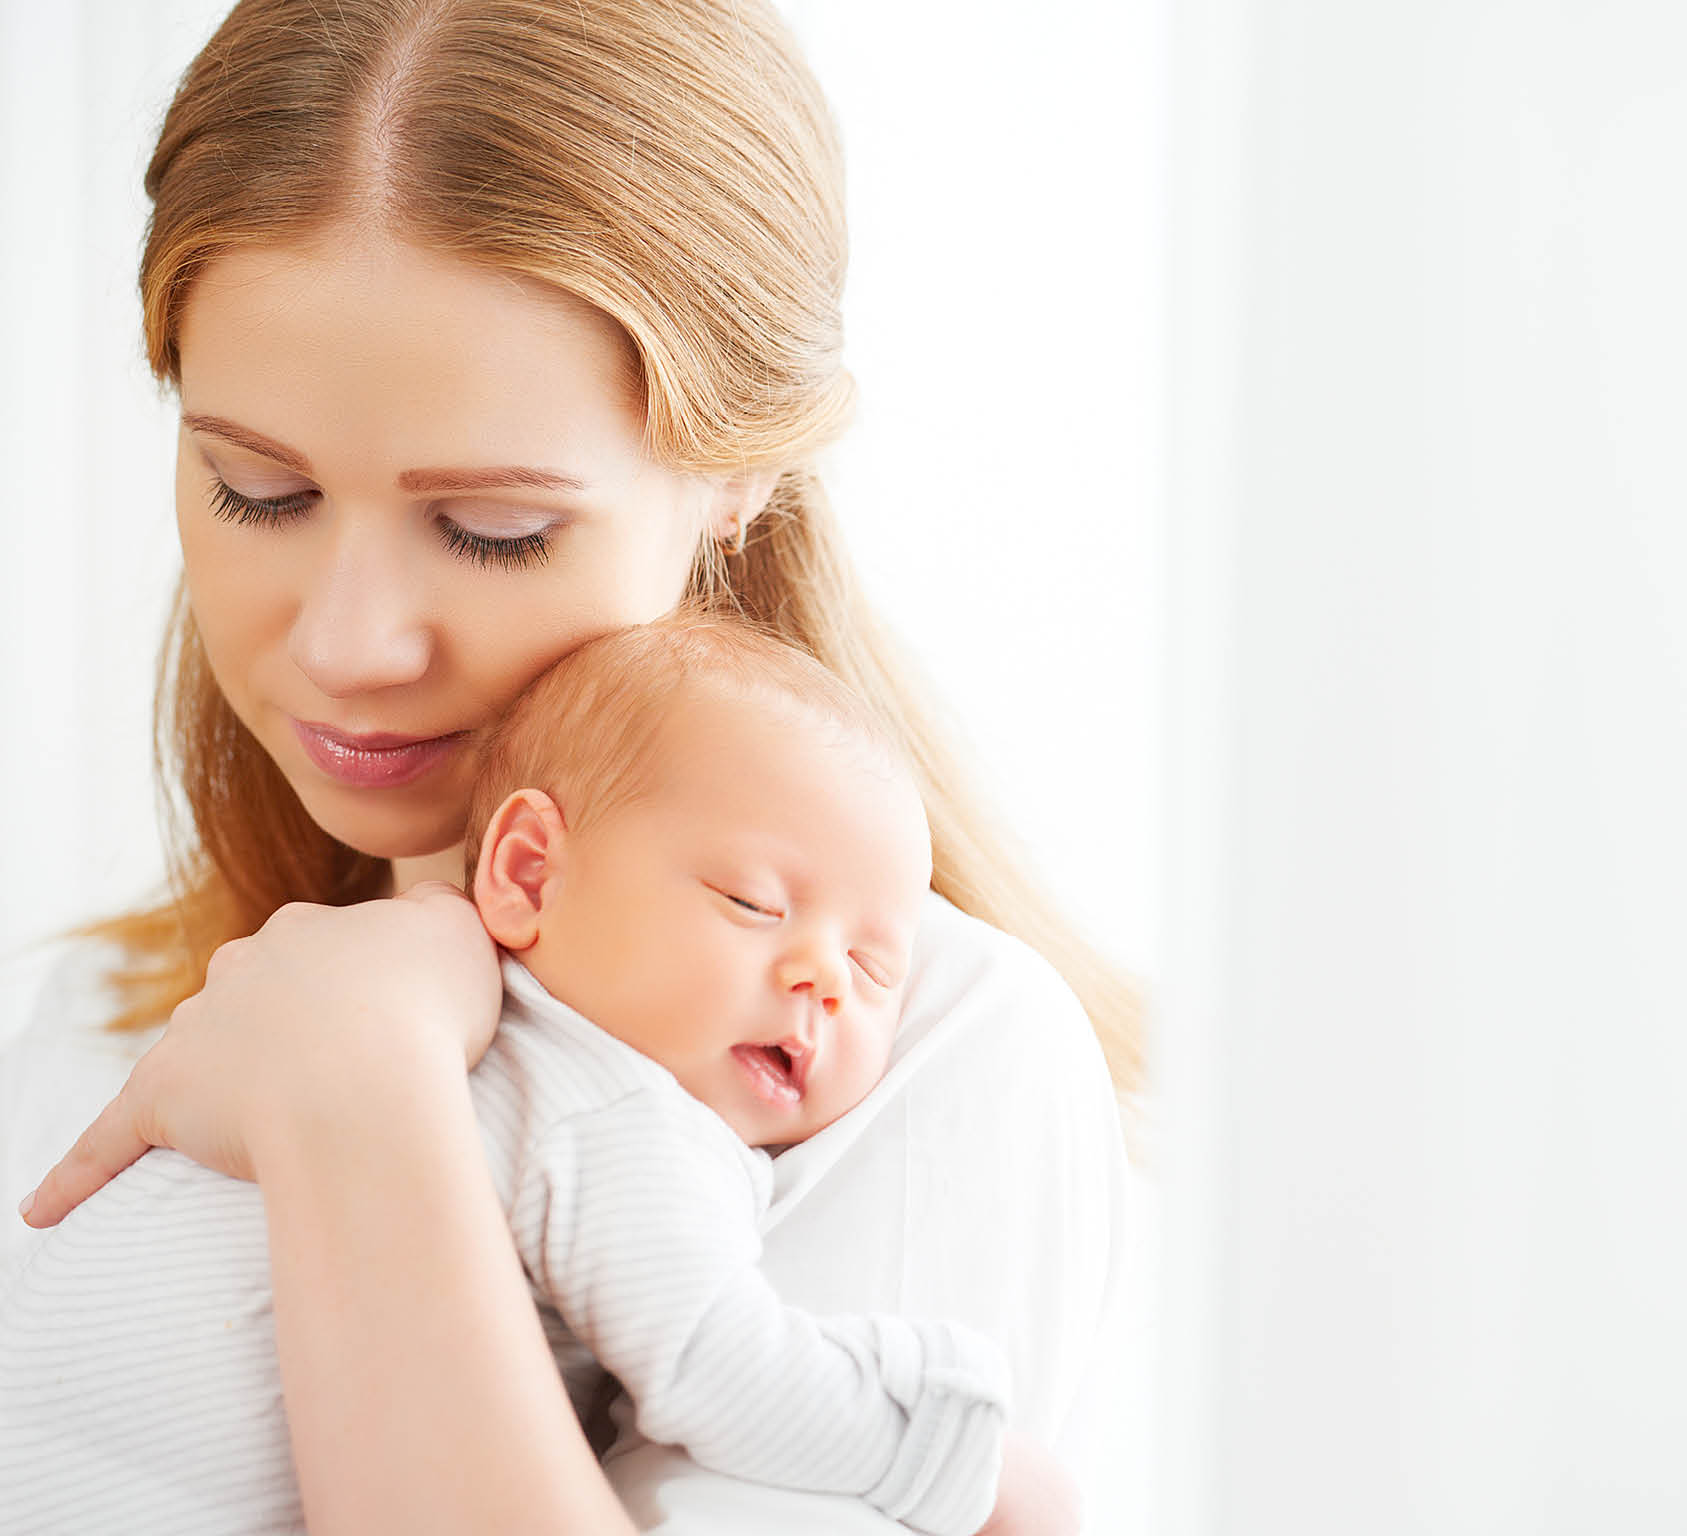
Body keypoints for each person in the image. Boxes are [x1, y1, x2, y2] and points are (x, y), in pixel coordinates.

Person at [0, 2, 1137, 1531]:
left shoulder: (901, 1064)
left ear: (740, 478)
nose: (347, 645)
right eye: (256, 491)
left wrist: (363, 1092)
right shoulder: (115, 1012)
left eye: (494, 531)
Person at [1, 611, 1063, 1536]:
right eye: (751, 903)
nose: (822, 981)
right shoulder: (613, 1109)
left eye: (875, 969)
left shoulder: (354, 1010)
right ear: (527, 871)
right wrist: (965, 1451)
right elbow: (717, 1372)